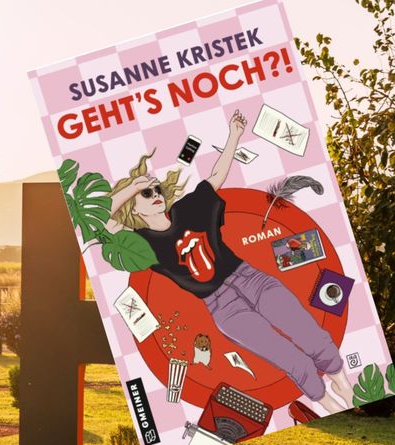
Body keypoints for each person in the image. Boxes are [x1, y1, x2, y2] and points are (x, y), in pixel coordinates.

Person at [105, 110, 354, 413]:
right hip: (221, 306)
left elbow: (216, 177)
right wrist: (131, 187)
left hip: (249, 278)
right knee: (285, 356)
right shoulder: (143, 245)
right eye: (147, 193)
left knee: (305, 329)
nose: (155, 194)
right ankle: (326, 401)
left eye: (156, 189)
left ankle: (343, 381)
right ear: (135, 206)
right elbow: (105, 224)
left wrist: (234, 136)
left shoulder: (187, 209)